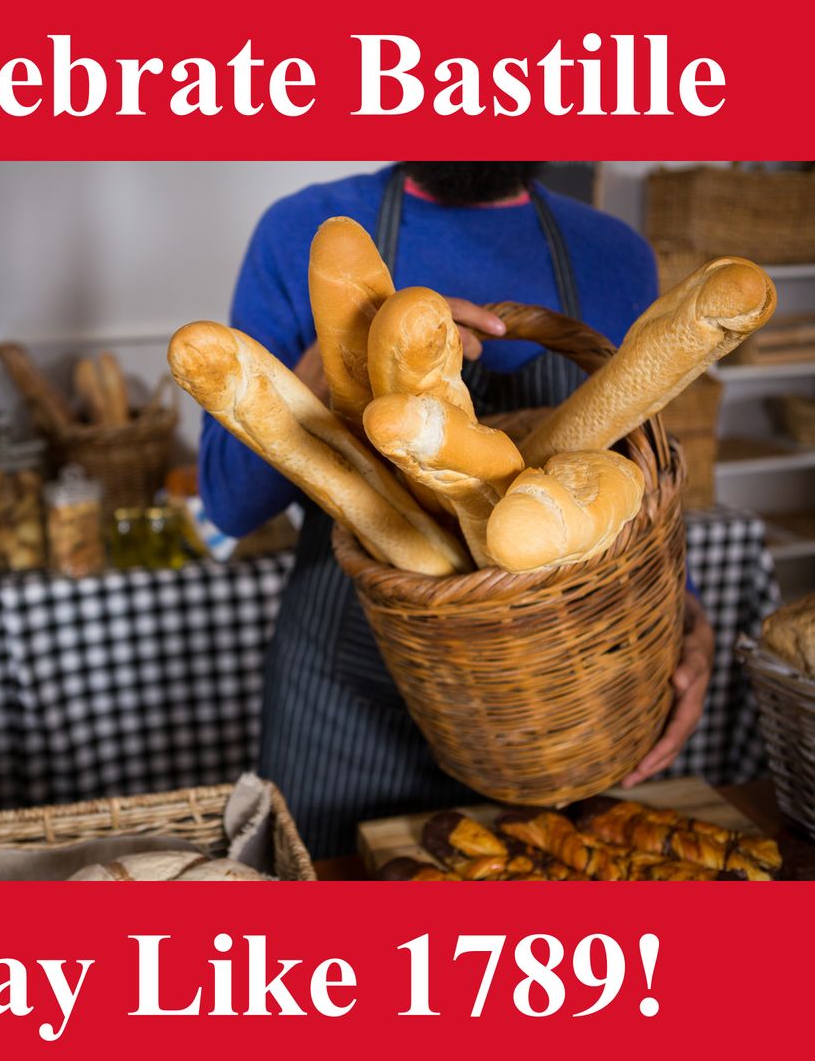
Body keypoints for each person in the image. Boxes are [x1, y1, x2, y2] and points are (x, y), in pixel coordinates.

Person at [199, 162, 715, 858]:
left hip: (560, 705)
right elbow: (229, 504)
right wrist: (327, 367)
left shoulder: (614, 252)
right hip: (344, 706)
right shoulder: (300, 231)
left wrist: (682, 614)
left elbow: (633, 479)